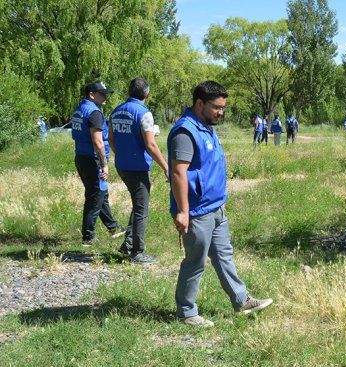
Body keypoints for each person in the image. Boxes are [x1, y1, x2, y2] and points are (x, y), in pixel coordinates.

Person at [167, 80, 273, 327]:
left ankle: (242, 300)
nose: (221, 112)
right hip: (196, 211)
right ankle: (186, 312)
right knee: (195, 262)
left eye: (223, 107)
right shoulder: (185, 132)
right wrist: (183, 211)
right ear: (199, 104)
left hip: (215, 206)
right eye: (216, 107)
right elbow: (178, 173)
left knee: (224, 256)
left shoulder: (206, 126)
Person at [109, 77, 169, 264]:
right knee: (142, 208)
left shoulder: (116, 111)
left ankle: (128, 243)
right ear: (147, 94)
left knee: (138, 204)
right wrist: (166, 167)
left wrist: (122, 154)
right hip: (138, 168)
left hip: (122, 165)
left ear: (129, 92)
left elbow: (110, 139)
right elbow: (151, 145)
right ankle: (137, 252)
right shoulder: (144, 113)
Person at [71, 81, 125, 247]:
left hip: (81, 157)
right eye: (102, 94)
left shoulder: (79, 109)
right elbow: (98, 142)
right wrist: (104, 165)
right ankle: (88, 237)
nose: (105, 97)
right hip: (93, 160)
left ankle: (113, 228)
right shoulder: (94, 113)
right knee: (95, 197)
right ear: (91, 94)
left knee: (101, 194)